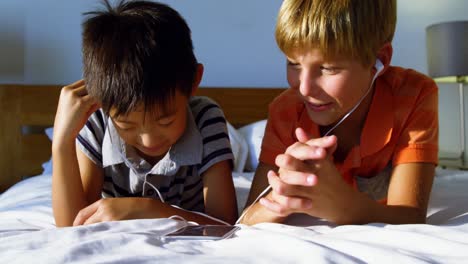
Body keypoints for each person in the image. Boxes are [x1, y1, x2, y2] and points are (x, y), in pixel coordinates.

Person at [240, 0, 438, 225]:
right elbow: (248, 216)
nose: (304, 88)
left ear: (379, 61)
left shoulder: (415, 95)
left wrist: (344, 208)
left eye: (328, 68)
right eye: (293, 63)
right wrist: (280, 198)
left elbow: (410, 216)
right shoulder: (285, 111)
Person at [52, 0, 238, 227]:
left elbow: (223, 225)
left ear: (194, 82)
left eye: (166, 120)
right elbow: (72, 226)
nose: (149, 139)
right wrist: (62, 143)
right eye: (126, 125)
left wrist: (149, 209)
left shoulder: (206, 119)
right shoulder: (98, 122)